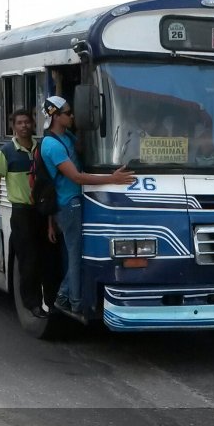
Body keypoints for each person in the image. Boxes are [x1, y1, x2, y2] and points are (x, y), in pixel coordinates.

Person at [40, 96, 135, 317]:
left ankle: (67, 297)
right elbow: (76, 177)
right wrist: (112, 179)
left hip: (72, 203)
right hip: (68, 204)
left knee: (75, 254)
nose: (72, 116)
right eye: (68, 112)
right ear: (55, 116)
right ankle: (69, 300)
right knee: (76, 256)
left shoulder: (66, 137)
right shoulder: (51, 145)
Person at [0, 109, 58, 319]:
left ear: (33, 124)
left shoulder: (42, 148)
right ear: (13, 126)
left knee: (48, 259)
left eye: (27, 122)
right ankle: (32, 303)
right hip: (22, 213)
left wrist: (51, 220)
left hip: (42, 211)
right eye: (20, 123)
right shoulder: (6, 152)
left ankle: (51, 301)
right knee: (28, 260)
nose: (24, 126)